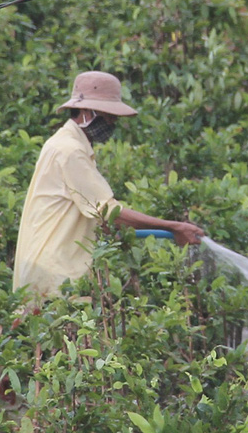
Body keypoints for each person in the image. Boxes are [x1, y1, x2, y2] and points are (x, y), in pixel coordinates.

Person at [13, 71, 204, 296]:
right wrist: (173, 227)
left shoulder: (64, 144)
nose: (113, 122)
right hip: (55, 279)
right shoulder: (70, 151)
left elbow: (91, 214)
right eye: (108, 115)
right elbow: (109, 212)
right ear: (85, 112)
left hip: (48, 273)